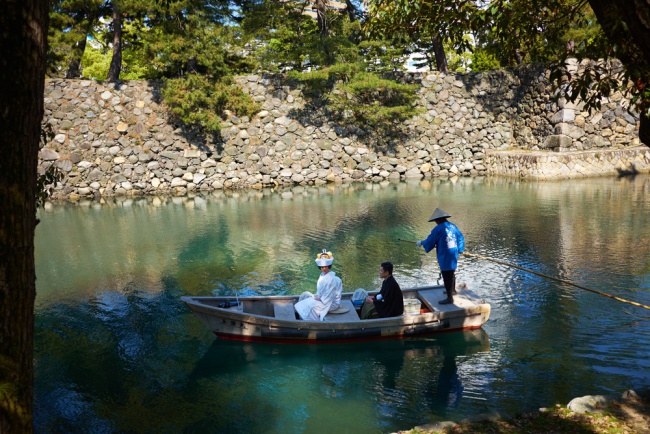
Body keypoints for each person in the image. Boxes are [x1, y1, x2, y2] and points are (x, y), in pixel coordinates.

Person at [416, 208, 465, 305]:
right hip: (453, 253)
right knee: (451, 272)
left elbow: (430, 241)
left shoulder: (438, 229)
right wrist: (460, 249)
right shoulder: (453, 226)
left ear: (438, 219)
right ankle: (452, 290)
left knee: (446, 274)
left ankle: (449, 298)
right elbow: (460, 238)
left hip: (445, 254)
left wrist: (422, 242)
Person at [294, 250, 343, 321]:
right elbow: (321, 290)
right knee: (306, 300)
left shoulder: (334, 280)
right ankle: (302, 318)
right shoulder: (322, 276)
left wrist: (320, 298)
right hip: (323, 298)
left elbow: (330, 295)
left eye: (326, 267)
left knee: (310, 306)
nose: (324, 269)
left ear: (329, 266)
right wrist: (318, 296)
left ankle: (313, 322)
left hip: (331, 303)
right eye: (322, 267)